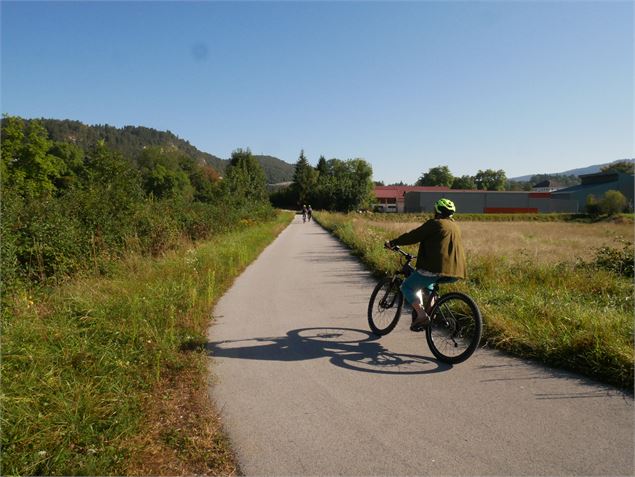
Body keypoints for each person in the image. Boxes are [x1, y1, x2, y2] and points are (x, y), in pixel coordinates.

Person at [384, 198, 466, 332]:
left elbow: (414, 236)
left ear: (437, 211)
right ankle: (430, 315)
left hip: (435, 268)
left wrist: (393, 242)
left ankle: (421, 315)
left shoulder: (435, 223)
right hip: (456, 271)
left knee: (407, 286)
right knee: (428, 286)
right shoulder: (455, 227)